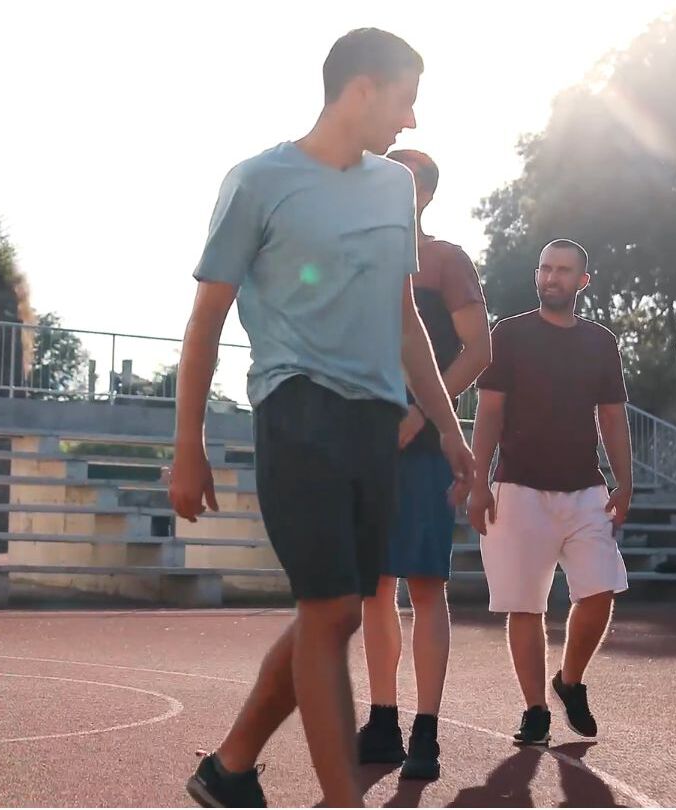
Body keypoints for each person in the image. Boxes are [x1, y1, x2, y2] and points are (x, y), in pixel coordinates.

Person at [169, 28, 476, 808]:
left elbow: (405, 319)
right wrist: (188, 444)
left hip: (378, 425)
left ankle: (230, 769)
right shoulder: (257, 182)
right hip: (297, 408)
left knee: (330, 615)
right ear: (362, 89)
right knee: (334, 608)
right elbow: (206, 320)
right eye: (405, 100)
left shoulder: (393, 188)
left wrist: (448, 427)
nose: (411, 120)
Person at [356, 148, 490, 782]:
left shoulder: (444, 261)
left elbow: (479, 350)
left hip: (425, 444)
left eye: (404, 178)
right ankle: (382, 720)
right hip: (365, 442)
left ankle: (426, 731)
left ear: (427, 194)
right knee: (374, 587)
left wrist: (421, 414)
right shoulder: (357, 254)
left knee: (427, 586)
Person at [467, 238, 633, 748]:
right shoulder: (509, 334)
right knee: (525, 605)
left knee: (601, 590)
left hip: (585, 489)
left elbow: (612, 416)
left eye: (562, 270)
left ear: (582, 281)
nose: (551, 277)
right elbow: (489, 411)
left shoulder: (601, 342)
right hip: (517, 488)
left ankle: (570, 681)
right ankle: (535, 710)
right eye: (545, 268)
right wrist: (478, 481)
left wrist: (625, 480)